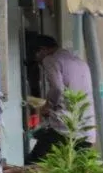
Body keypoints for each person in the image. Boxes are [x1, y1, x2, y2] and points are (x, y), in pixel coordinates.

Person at [27, 34, 95, 163]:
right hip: (86, 130)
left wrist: (48, 105)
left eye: (36, 56)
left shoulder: (50, 60)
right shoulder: (80, 63)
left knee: (33, 162)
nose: (39, 61)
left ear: (42, 50)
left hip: (64, 128)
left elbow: (57, 88)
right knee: (74, 169)